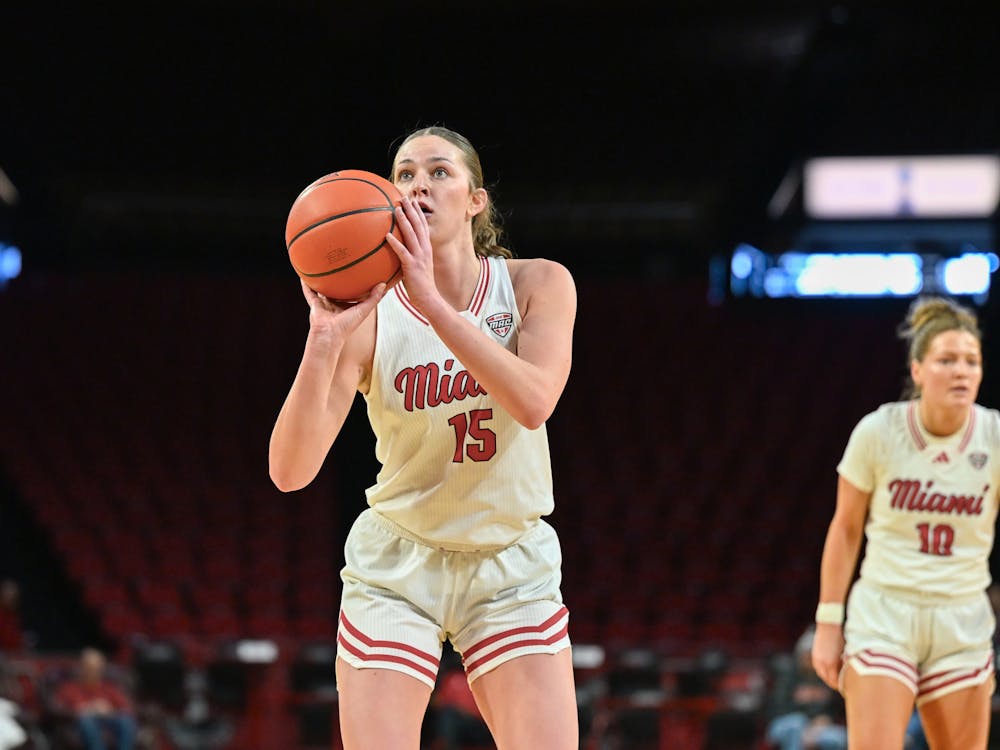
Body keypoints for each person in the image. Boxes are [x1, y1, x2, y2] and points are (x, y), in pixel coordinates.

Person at [269, 125, 578, 749]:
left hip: (509, 560)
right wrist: (323, 341)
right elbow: (288, 472)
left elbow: (533, 402)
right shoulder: (369, 317)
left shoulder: (537, 285)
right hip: (400, 565)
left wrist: (436, 305)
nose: (418, 186)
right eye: (405, 174)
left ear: (475, 201)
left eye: (439, 172)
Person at [812, 295, 999, 749]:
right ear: (917, 370)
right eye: (946, 360)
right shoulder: (879, 432)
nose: (961, 371)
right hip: (885, 611)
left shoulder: (994, 436)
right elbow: (845, 529)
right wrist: (828, 622)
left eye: (971, 361)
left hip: (961, 615)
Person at [766, 625, 846, 750]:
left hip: (817, 727)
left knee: (838, 737)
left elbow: (832, 710)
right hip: (784, 724)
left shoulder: (826, 677)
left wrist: (821, 722)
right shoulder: (788, 675)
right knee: (797, 723)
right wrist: (806, 722)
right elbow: (778, 709)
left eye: (812, 656)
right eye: (806, 655)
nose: (808, 659)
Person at [54, 648, 136, 750]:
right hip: (80, 723)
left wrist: (109, 709)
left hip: (108, 720)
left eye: (96, 669)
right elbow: (57, 709)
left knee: (126, 721)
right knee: (86, 721)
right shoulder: (69, 688)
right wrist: (81, 709)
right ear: (81, 668)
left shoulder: (109, 688)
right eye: (89, 668)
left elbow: (127, 708)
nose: (92, 672)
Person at [0, 581, 24, 654]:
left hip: (12, 655)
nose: (12, 601)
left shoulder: (13, 616)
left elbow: (15, 639)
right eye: (10, 598)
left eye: (14, 599)